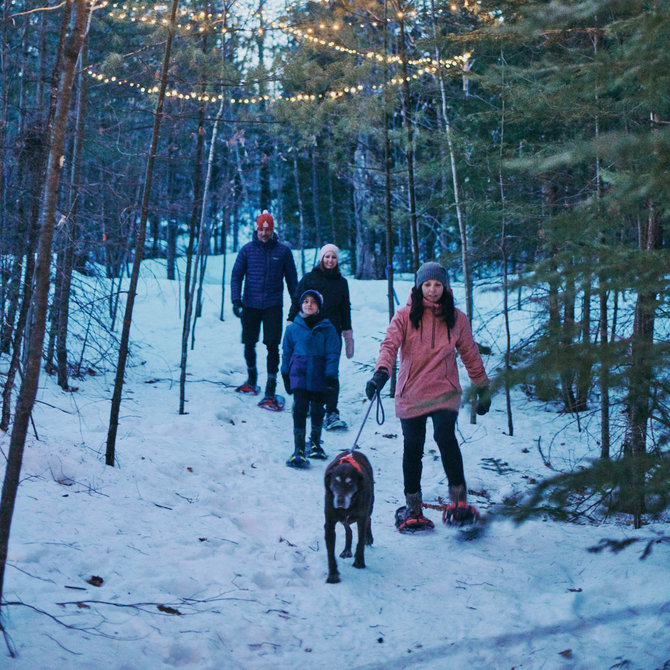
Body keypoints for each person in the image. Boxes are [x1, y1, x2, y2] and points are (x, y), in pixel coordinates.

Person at [365, 261, 491, 532]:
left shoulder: (457, 318)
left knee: (446, 438)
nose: (432, 290)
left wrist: (482, 387)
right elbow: (389, 346)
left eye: (437, 285)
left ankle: (459, 503)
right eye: (427, 285)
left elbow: (470, 354)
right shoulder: (404, 316)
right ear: (419, 287)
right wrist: (381, 374)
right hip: (411, 392)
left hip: (444, 391)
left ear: (445, 287)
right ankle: (413, 507)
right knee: (413, 446)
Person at [231, 210, 298, 409]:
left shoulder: (283, 251)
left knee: (272, 346)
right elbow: (236, 276)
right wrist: (236, 300)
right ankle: (251, 380)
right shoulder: (247, 250)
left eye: (267, 229)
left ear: (273, 230)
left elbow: (292, 281)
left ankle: (270, 389)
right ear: (256, 229)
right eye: (261, 229)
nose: (264, 233)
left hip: (273, 305)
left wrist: (296, 307)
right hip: (250, 304)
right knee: (248, 343)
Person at [288, 243, 354, 430]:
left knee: (331, 372)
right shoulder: (310, 279)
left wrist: (348, 335)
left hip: (332, 334)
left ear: (337, 260)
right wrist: (291, 325)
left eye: (333, 257)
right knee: (309, 368)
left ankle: (331, 411)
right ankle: (308, 403)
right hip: (310, 333)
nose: (330, 260)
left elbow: (345, 309)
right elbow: (296, 301)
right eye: (327, 257)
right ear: (321, 258)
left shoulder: (342, 283)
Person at [282, 290, 341, 468]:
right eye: (306, 301)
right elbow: (286, 352)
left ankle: (315, 443)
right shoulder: (292, 329)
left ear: (319, 307)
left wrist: (331, 376)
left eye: (313, 302)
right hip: (299, 374)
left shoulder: (328, 329)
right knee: (299, 408)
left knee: (317, 409)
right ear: (301, 305)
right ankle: (298, 449)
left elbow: (333, 353)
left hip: (318, 375)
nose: (309, 305)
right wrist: (285, 372)